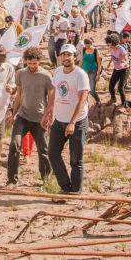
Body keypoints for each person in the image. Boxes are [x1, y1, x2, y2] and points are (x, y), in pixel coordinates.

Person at [6, 47, 53, 186]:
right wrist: (14, 115)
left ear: (39, 61)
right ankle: (12, 179)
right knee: (14, 145)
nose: (32, 66)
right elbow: (19, 95)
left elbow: (51, 99)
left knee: (43, 150)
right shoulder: (20, 74)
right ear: (26, 61)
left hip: (39, 118)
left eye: (35, 64)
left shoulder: (46, 76)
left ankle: (45, 179)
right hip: (23, 116)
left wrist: (50, 117)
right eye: (29, 63)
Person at [47, 43, 89, 194]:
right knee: (52, 153)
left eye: (69, 54)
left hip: (77, 122)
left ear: (74, 57)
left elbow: (82, 99)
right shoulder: (58, 72)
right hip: (59, 120)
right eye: (63, 54)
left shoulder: (80, 75)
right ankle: (65, 186)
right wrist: (48, 112)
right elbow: (54, 93)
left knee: (76, 159)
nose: (65, 57)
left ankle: (76, 190)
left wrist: (72, 122)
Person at [105, 34, 129, 107]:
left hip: (124, 70)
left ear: (114, 43)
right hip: (116, 69)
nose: (109, 46)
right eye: (108, 44)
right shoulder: (111, 48)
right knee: (111, 86)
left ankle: (124, 104)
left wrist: (123, 64)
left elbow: (127, 60)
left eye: (110, 44)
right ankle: (113, 98)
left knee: (120, 87)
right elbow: (112, 57)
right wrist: (109, 63)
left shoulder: (121, 49)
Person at [79, 38, 101, 105]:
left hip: (92, 71)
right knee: (84, 89)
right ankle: (85, 102)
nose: (87, 47)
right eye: (86, 45)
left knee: (92, 90)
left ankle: (98, 100)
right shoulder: (83, 49)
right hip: (84, 70)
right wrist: (78, 69)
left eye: (88, 46)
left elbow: (99, 63)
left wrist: (98, 74)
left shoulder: (96, 51)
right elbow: (81, 60)